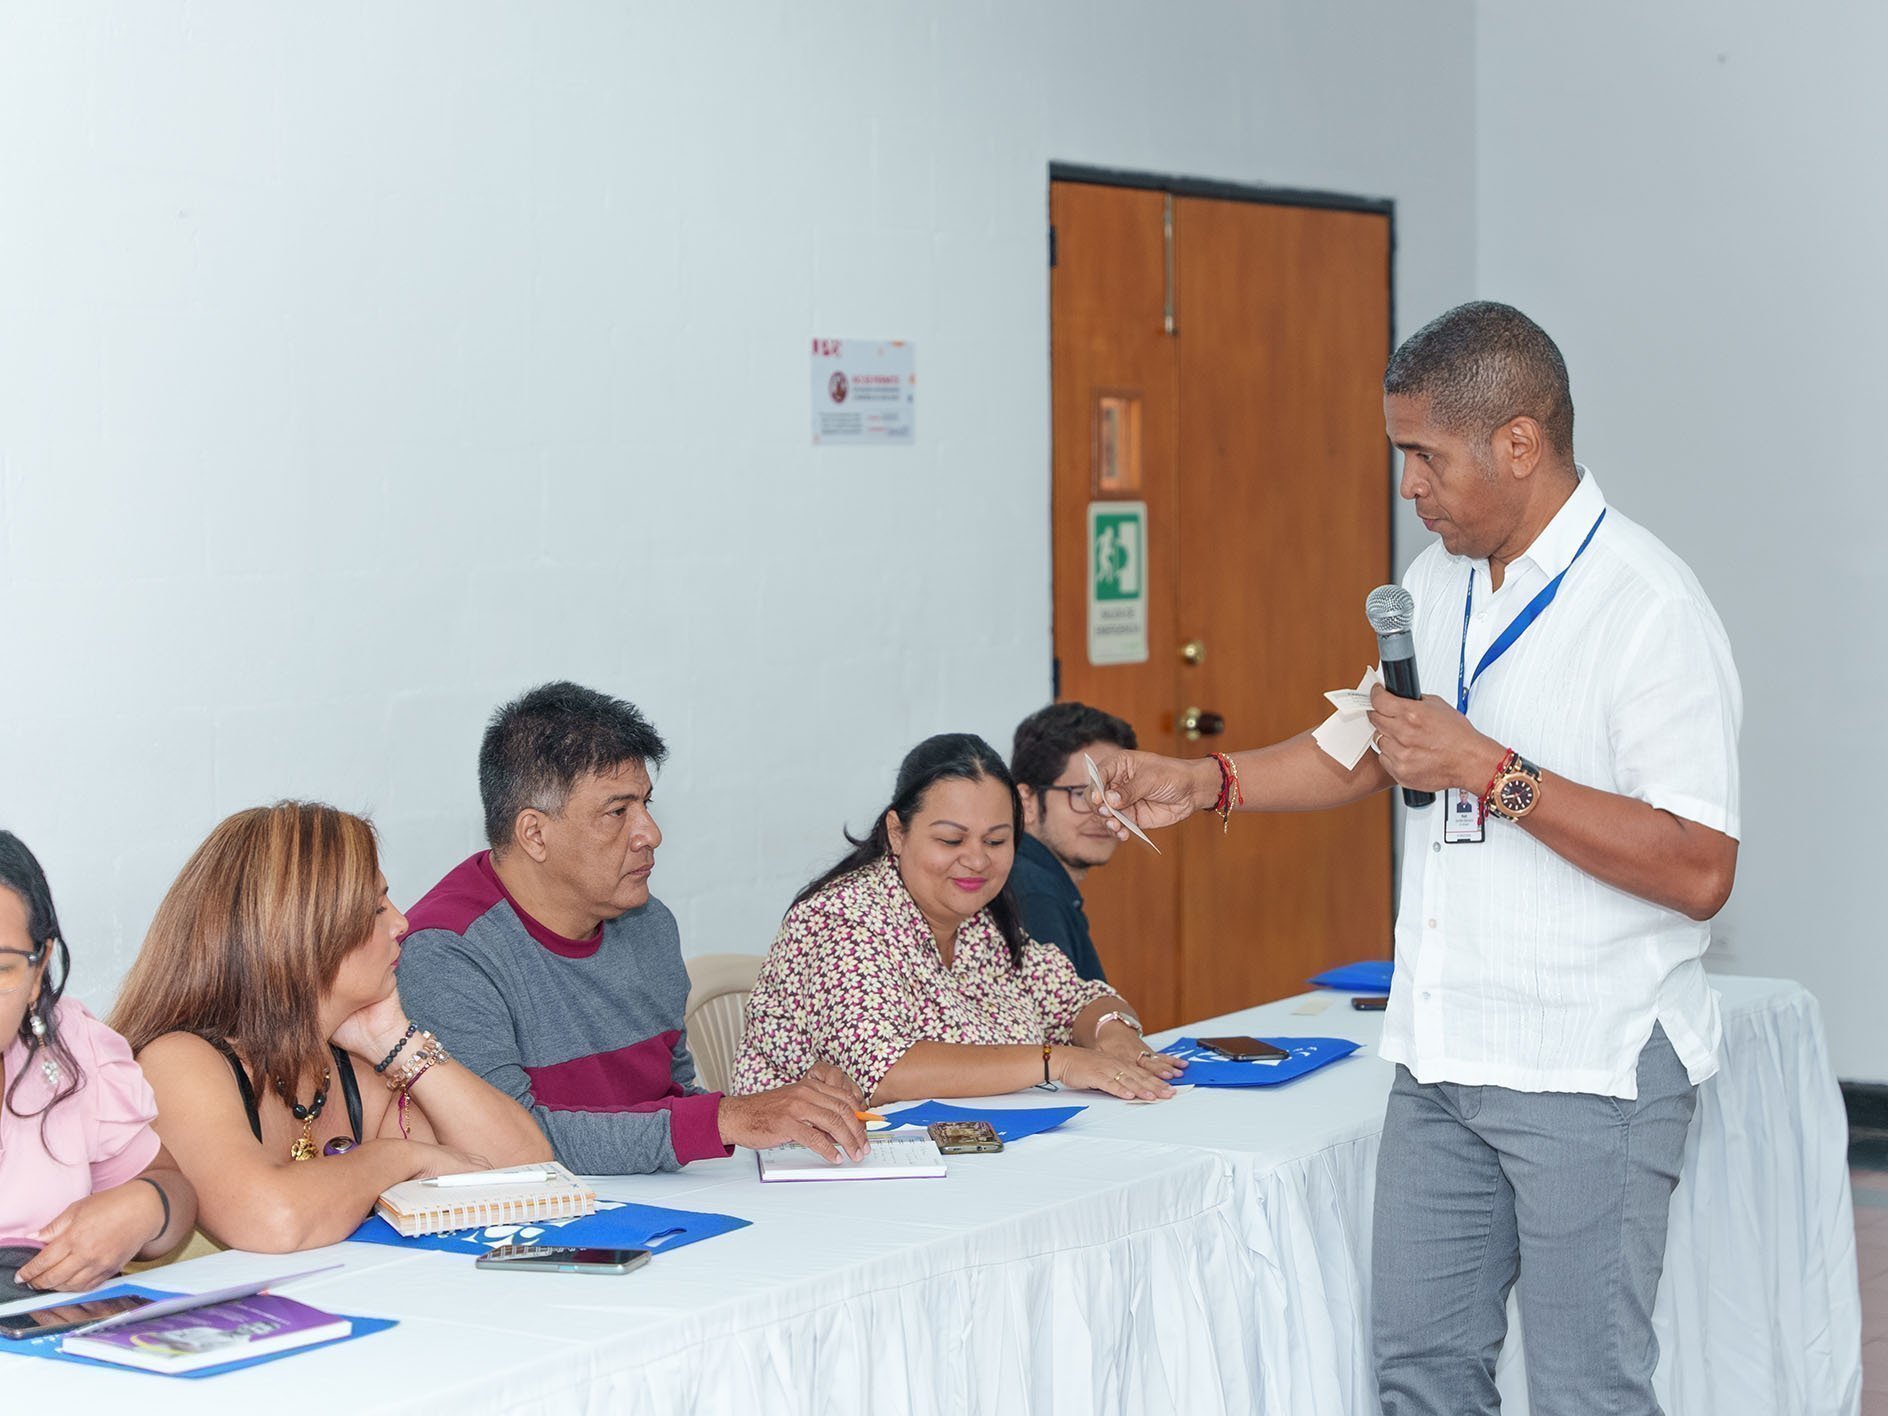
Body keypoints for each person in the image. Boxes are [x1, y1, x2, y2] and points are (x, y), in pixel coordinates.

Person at [1091, 302, 1740, 1416]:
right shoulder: (1436, 583)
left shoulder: (1647, 609)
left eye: (1423, 456)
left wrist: (1495, 770)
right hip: (1442, 1059)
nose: (1408, 488)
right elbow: (1365, 746)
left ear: (1520, 445)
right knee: (1420, 1380)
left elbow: (1698, 868)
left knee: (1587, 1391)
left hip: (1587, 1067)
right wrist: (1211, 781)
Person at [396, 682, 868, 1171]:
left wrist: (788, 1111)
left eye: (646, 804)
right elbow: (505, 1146)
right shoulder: (447, 953)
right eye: (617, 811)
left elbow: (674, 1094)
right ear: (534, 833)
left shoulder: (647, 922)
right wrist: (725, 1119)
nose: (650, 834)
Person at [114, 804, 552, 1253]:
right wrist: (400, 1157)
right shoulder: (179, 1062)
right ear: (303, 933)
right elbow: (274, 1221)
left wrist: (397, 1043)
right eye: (376, 908)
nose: (401, 923)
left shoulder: (351, 1066)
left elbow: (525, 1176)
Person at [732, 733, 1185, 1104]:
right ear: (897, 832)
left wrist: (1113, 1034)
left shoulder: (980, 920)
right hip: (820, 1172)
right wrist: (1058, 1061)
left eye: (996, 841)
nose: (976, 861)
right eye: (951, 840)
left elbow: (1073, 999)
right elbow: (886, 1071)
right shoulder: (843, 920)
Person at [0, 831, 196, 1301]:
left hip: (60, 1341)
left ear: (38, 970)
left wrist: (145, 1208)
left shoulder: (67, 1048)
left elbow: (173, 1191)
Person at [1008, 701, 1140, 981]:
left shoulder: (1033, 878)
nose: (1102, 813)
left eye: (1115, 796)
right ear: (1027, 802)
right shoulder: (1033, 896)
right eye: (1081, 794)